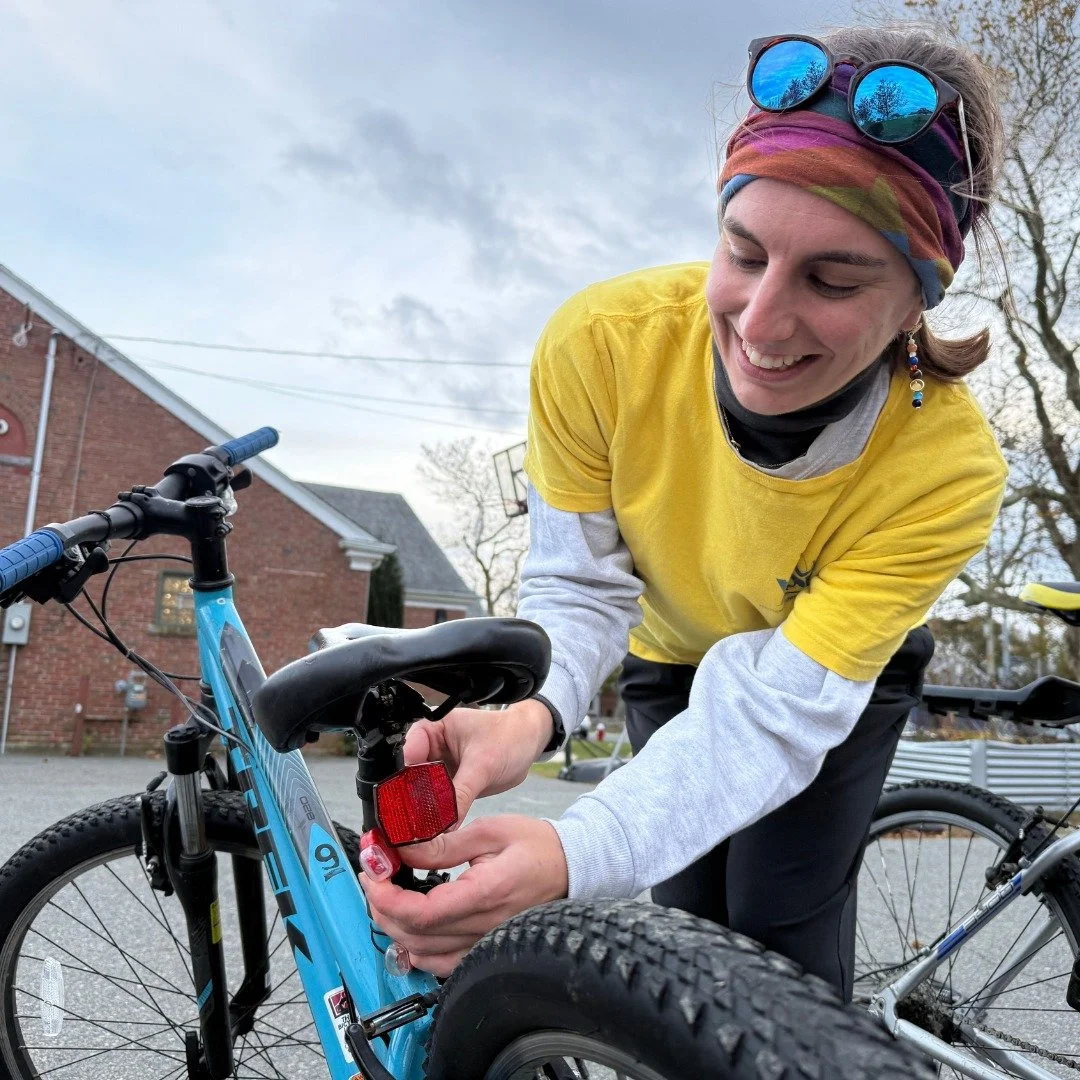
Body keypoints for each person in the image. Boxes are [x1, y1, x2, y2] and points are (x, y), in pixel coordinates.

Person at [362, 23, 1007, 1001]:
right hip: (671, 649)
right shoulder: (600, 346)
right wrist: (529, 711)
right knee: (689, 927)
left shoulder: (946, 469)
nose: (760, 324)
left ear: (919, 298)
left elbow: (775, 713)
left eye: (834, 279)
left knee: (780, 931)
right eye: (743, 254)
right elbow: (580, 585)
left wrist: (575, 854)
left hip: (827, 680)